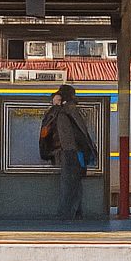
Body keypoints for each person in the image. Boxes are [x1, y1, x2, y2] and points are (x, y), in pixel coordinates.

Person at [40, 84, 96, 220]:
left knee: (68, 182)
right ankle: (76, 212)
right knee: (76, 182)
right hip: (77, 151)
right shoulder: (71, 110)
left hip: (69, 151)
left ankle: (68, 213)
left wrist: (55, 105)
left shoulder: (62, 112)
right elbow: (83, 132)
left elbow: (56, 129)